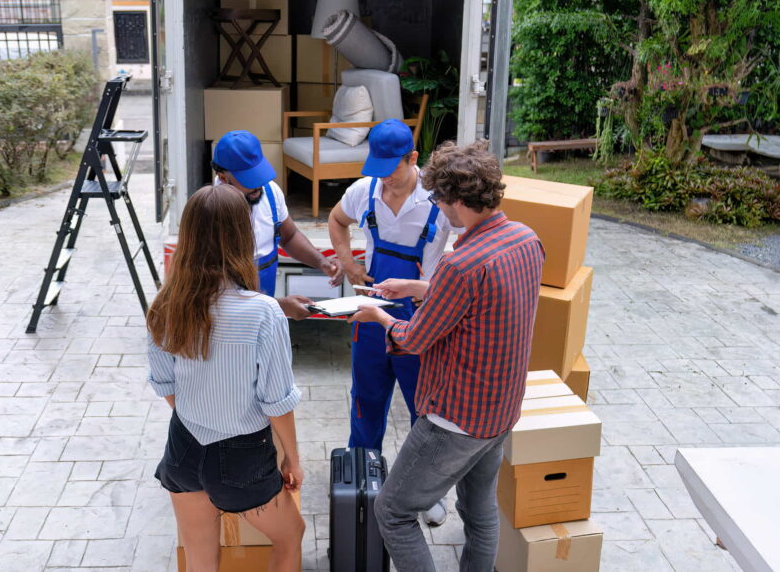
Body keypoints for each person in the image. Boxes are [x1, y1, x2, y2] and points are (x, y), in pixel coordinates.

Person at [351, 142, 544, 572]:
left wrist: (378, 315)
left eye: (438, 199)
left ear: (456, 200)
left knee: (393, 512)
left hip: (455, 418)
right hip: (503, 410)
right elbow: (482, 304)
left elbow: (414, 339)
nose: (438, 209)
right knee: (479, 510)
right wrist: (419, 287)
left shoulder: (462, 264)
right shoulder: (526, 240)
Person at [148, 184, 305, 572]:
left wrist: (202, 413)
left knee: (201, 559)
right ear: (242, 236)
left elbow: (167, 388)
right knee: (291, 536)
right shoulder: (263, 313)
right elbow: (277, 402)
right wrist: (293, 460)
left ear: (188, 236)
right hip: (243, 455)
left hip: (183, 448)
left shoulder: (165, 306)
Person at [327, 119, 458, 526]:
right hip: (369, 318)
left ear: (413, 158)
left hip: (424, 321)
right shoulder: (363, 191)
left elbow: (469, 257)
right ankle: (362, 484)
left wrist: (422, 286)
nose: (383, 175)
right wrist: (348, 262)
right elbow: (336, 220)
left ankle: (424, 495)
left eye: (391, 167)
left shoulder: (440, 202)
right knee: (366, 404)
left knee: (426, 413)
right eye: (377, 166)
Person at [213, 130, 343, 319]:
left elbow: (289, 236)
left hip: (265, 303)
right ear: (224, 178)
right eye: (249, 179)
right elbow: (215, 289)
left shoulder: (271, 192)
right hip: (228, 318)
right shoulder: (209, 211)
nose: (258, 185)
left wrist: (322, 263)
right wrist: (279, 306)